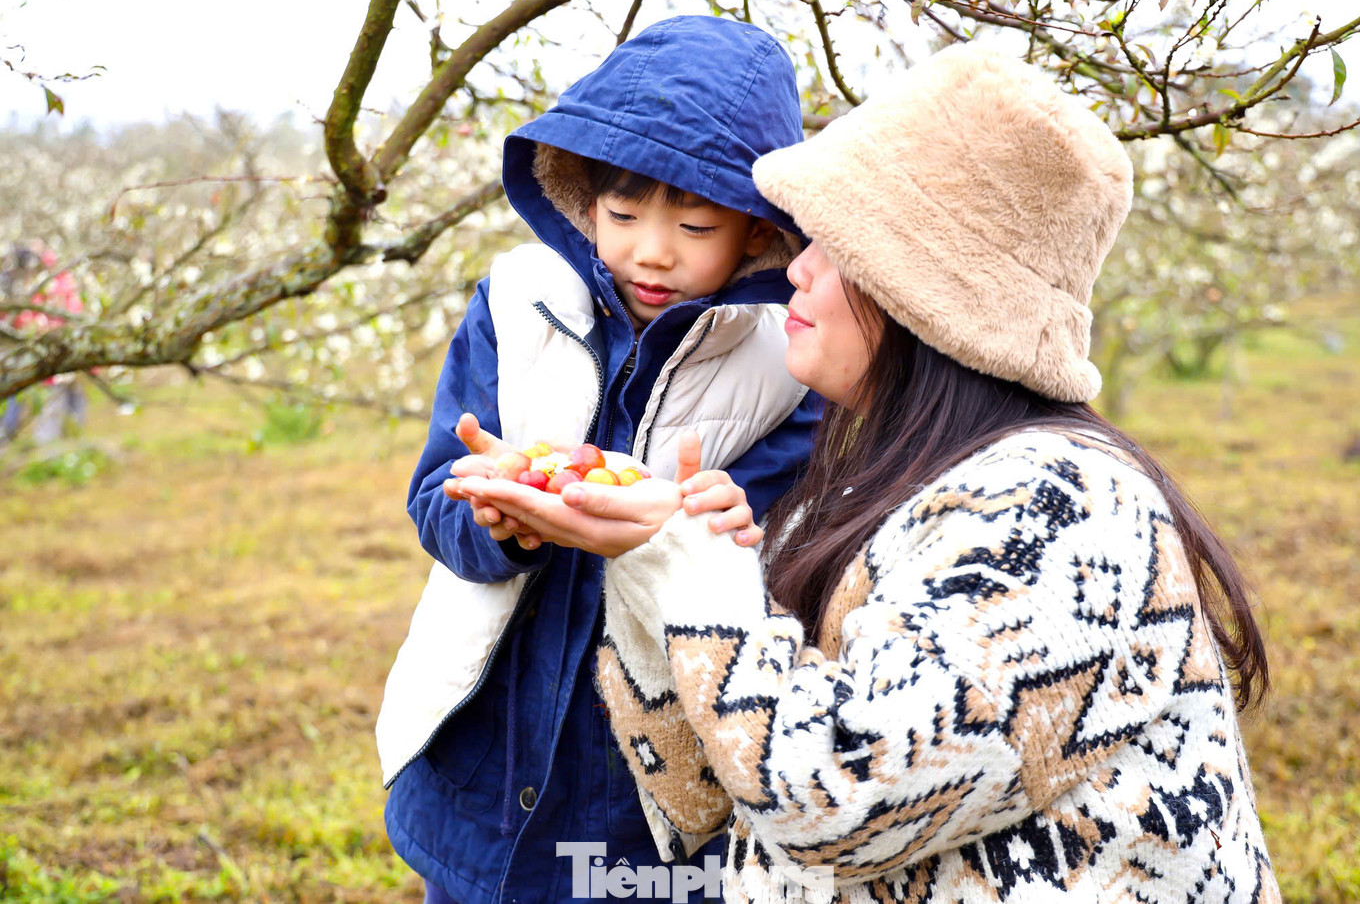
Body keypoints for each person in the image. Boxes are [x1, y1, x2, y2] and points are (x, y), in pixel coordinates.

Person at [456, 45, 1281, 902]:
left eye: (833, 244)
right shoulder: (864, 490)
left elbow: (834, 803)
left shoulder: (1060, 512)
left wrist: (689, 569)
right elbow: (695, 794)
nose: (795, 267)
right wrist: (651, 552)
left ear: (925, 291)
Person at [376, 16, 821, 903]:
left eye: (696, 224)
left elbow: (787, 551)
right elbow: (435, 498)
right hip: (486, 747)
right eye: (622, 214)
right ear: (583, 200)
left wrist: (719, 525)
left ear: (757, 233)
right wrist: (494, 518)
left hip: (648, 777)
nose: (651, 250)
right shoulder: (516, 304)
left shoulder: (788, 357)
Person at [0, 241, 87, 445]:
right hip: (26, 349)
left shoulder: (55, 282)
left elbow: (70, 311)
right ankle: (33, 440)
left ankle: (54, 441)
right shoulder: (13, 283)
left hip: (53, 348)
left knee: (63, 397)